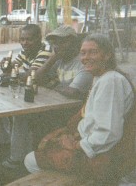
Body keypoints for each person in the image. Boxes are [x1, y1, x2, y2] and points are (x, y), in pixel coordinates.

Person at [24, 34, 135, 184]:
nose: (86, 57)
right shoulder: (101, 77)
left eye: (93, 52)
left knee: (30, 159)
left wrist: (78, 145)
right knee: (45, 143)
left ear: (107, 55)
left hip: (103, 157)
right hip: (89, 143)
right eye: (83, 53)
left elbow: (109, 132)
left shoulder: (111, 81)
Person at [2, 25, 92, 169]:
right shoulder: (60, 60)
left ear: (74, 43)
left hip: (74, 114)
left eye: (61, 42)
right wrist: (54, 57)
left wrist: (53, 85)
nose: (56, 46)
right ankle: (25, 156)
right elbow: (37, 77)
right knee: (20, 113)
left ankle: (22, 159)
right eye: (54, 42)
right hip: (58, 107)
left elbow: (73, 92)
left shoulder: (82, 63)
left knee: (23, 115)